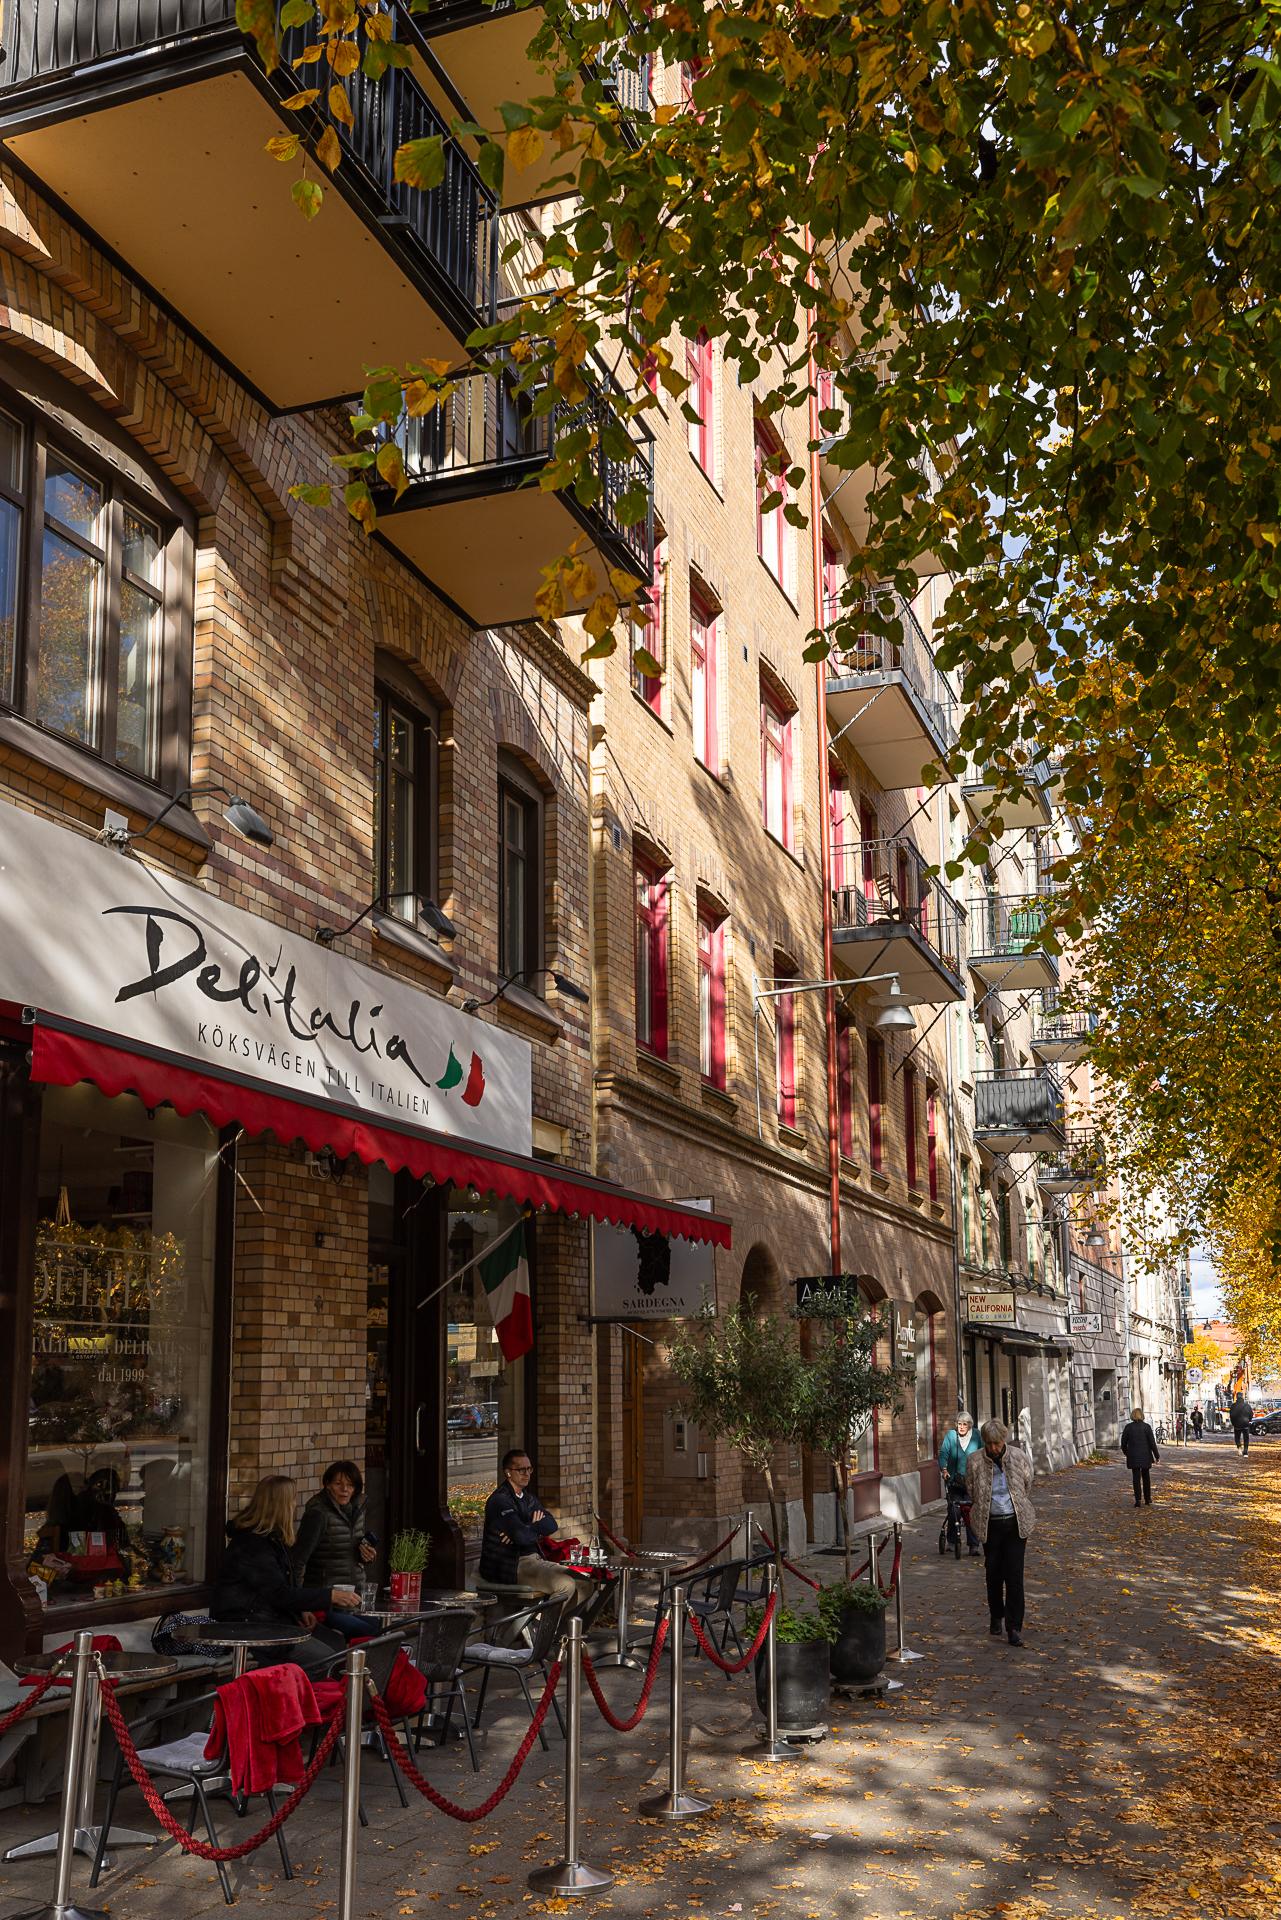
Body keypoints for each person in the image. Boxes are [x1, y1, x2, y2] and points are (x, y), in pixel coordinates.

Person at [212, 1474, 372, 1672]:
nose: (295, 1505)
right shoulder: (252, 1545)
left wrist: (302, 1610)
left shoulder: (272, 1539)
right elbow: (277, 1593)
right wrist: (330, 1596)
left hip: (271, 1621)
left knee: (337, 1644)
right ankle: (302, 1691)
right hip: (250, 1628)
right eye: (293, 1499)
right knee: (327, 1658)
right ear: (281, 1505)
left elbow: (281, 1586)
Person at [478, 1449, 593, 1611]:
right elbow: (521, 1536)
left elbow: (551, 1525)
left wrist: (524, 1527)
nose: (527, 1474)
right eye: (521, 1470)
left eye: (529, 1469)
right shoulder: (500, 1500)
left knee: (585, 1584)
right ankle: (543, 1626)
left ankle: (549, 1623)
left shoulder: (528, 1498)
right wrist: (529, 1527)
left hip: (536, 1560)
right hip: (511, 1565)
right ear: (508, 1473)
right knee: (565, 1584)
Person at [966, 1418, 1036, 1648]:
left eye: (997, 1443)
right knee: (993, 1573)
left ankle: (1014, 1627)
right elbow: (971, 1489)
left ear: (1004, 1440)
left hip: (1015, 1523)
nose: (994, 1448)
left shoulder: (1018, 1457)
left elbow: (1027, 1483)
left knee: (1014, 1576)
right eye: (989, 1444)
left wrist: (1014, 1504)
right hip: (990, 1523)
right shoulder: (974, 1461)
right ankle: (996, 1614)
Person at [292, 1460, 377, 1637]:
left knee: (383, 1627)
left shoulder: (358, 1508)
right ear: (328, 1485)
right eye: (338, 1484)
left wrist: (366, 1556)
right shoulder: (318, 1513)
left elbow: (349, 1550)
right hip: (325, 1601)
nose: (344, 1489)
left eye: (350, 1485)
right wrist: (301, 1605)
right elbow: (298, 1561)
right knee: (369, 1631)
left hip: (354, 1597)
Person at [938, 1413, 982, 1554]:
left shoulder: (977, 1435)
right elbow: (943, 1453)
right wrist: (944, 1469)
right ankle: (952, 1541)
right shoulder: (951, 1436)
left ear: (970, 1425)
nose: (961, 1427)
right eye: (959, 1424)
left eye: (964, 1424)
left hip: (972, 1482)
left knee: (970, 1512)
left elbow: (984, 1454)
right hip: (954, 1481)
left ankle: (974, 1545)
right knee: (954, 1510)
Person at [1120, 1405, 1160, 1506]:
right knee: (1146, 1477)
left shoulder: (1128, 1427)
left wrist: (1127, 1453)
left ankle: (1138, 1500)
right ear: (1142, 1415)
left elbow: (1123, 1443)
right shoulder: (1147, 1427)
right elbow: (1152, 1443)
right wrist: (1157, 1456)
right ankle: (1147, 1499)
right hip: (1145, 1456)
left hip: (1133, 1456)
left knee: (1136, 1478)